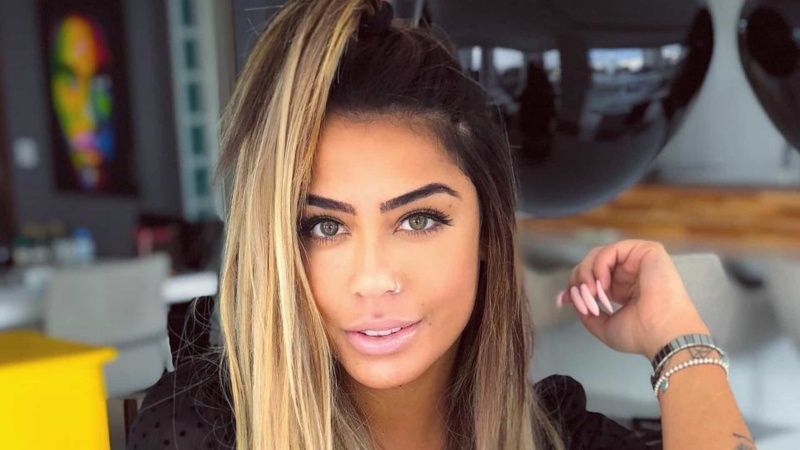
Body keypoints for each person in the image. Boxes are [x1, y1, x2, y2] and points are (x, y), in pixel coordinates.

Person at [126, 1, 756, 449]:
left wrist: (679, 339)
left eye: (419, 219)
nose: (374, 279)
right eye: (322, 227)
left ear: (486, 232)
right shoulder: (200, 431)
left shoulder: (559, 437)